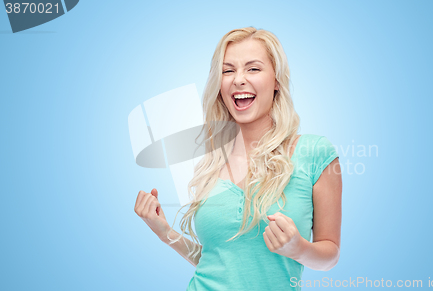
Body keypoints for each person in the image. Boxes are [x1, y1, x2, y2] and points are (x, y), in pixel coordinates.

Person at [134, 27, 343, 290]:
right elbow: (216, 261)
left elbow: (330, 255)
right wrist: (166, 233)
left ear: (276, 81)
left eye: (253, 69)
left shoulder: (316, 153)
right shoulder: (211, 162)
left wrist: (297, 248)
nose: (238, 80)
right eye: (228, 70)